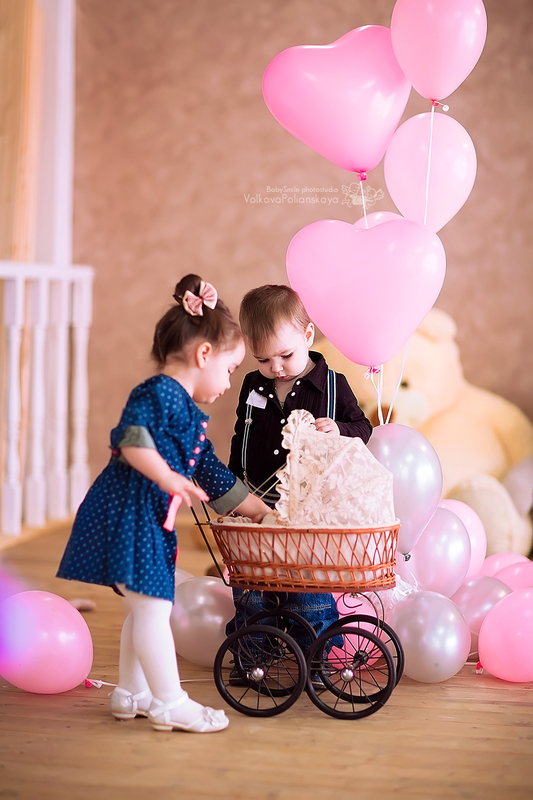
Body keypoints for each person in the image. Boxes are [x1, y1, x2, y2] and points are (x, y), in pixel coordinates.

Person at [57, 275, 269, 734]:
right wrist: (169, 477)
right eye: (230, 369)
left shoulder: (187, 411)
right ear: (204, 354)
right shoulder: (157, 394)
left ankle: (131, 692)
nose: (229, 382)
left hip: (150, 520)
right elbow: (132, 440)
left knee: (143, 607)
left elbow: (210, 471)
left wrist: (257, 509)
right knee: (154, 608)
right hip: (130, 515)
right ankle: (170, 702)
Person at [227, 284, 373, 658]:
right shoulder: (253, 385)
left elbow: (363, 428)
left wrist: (338, 429)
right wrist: (233, 486)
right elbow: (242, 435)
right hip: (257, 502)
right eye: (262, 359)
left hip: (308, 509)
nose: (275, 367)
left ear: (308, 336)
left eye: (285, 355)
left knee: (306, 587)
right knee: (252, 584)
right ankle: (254, 653)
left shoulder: (333, 385)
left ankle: (315, 654)